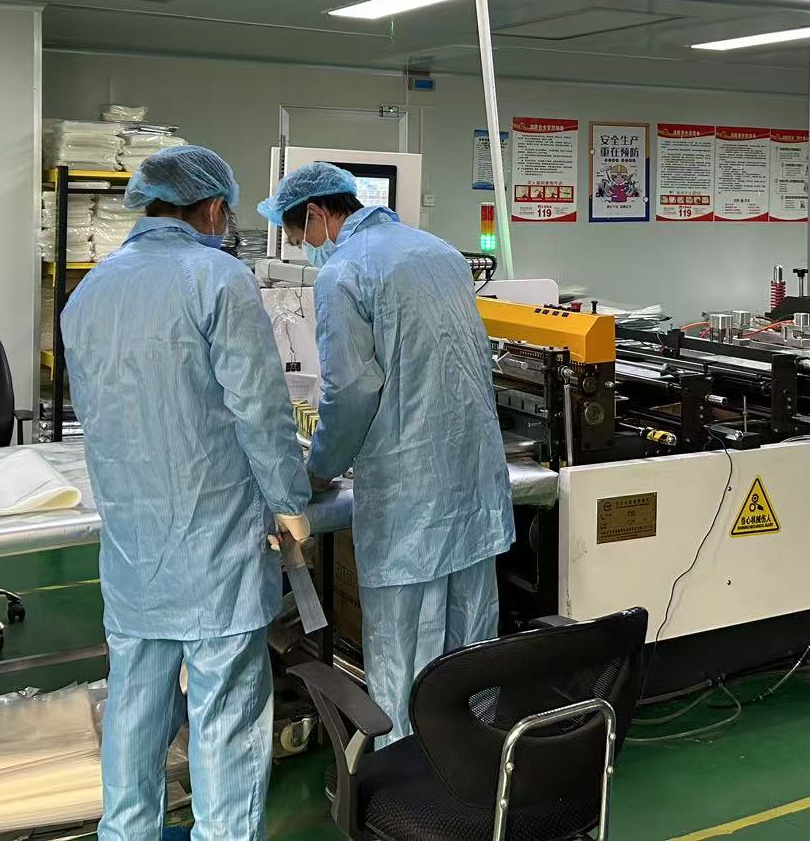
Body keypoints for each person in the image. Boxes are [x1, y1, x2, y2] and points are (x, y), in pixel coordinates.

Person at [62, 146, 311, 841]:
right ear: (213, 209)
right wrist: (291, 503)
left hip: (133, 545)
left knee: (135, 707)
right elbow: (260, 409)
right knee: (225, 713)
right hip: (214, 541)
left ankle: (126, 832)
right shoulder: (218, 278)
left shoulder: (91, 290)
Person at [258, 162, 514, 744]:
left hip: (409, 493)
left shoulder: (344, 272)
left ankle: (408, 774)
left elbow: (351, 391)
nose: (306, 251)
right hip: (473, 477)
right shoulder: (441, 253)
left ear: (318, 214)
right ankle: (477, 763)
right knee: (472, 641)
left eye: (300, 237)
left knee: (406, 653)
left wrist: (320, 469)